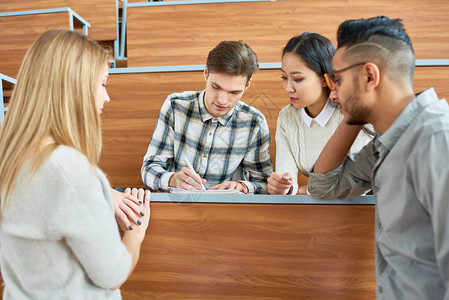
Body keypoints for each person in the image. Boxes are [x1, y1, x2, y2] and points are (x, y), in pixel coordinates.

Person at [0, 29, 150, 298]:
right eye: (103, 84)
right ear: (76, 86)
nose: (107, 97)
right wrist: (135, 233)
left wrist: (101, 196)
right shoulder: (70, 170)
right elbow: (112, 275)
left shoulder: (10, 155)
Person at [308, 16, 449, 299]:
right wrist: (353, 114)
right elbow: (323, 185)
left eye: (336, 79)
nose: (333, 92)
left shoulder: (435, 140)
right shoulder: (388, 143)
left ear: (370, 76)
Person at [141, 41, 273, 194]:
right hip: (177, 208)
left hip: (227, 211)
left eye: (234, 92)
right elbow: (149, 168)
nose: (222, 100)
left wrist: (243, 186)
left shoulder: (254, 122)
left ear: (247, 85)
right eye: (216, 87)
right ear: (205, 73)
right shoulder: (175, 105)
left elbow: (265, 183)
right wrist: (173, 179)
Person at [267, 32, 372, 195]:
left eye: (298, 79)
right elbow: (288, 181)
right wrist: (283, 187)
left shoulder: (351, 111)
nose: (289, 88)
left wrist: (304, 190)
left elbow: (354, 184)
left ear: (325, 78)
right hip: (319, 209)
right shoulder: (287, 117)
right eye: (284, 77)